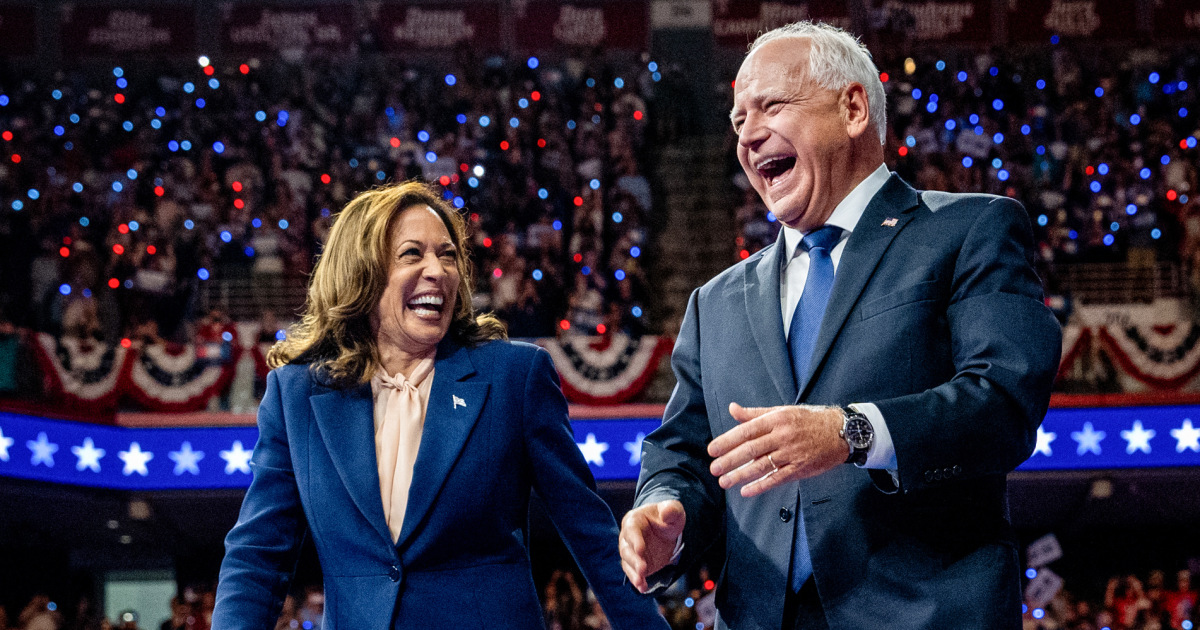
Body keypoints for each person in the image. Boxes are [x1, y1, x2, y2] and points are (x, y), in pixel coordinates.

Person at [619, 21, 1061, 630]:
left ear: (853, 108)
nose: (747, 133)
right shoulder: (714, 302)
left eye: (770, 105)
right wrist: (664, 509)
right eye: (737, 119)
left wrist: (852, 432)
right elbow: (686, 451)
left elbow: (1003, 403)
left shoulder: (970, 232)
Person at [213, 182, 668, 630]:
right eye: (413, 254)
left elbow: (592, 537)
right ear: (361, 273)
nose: (438, 270)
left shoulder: (514, 377)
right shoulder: (296, 395)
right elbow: (257, 556)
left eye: (447, 255)